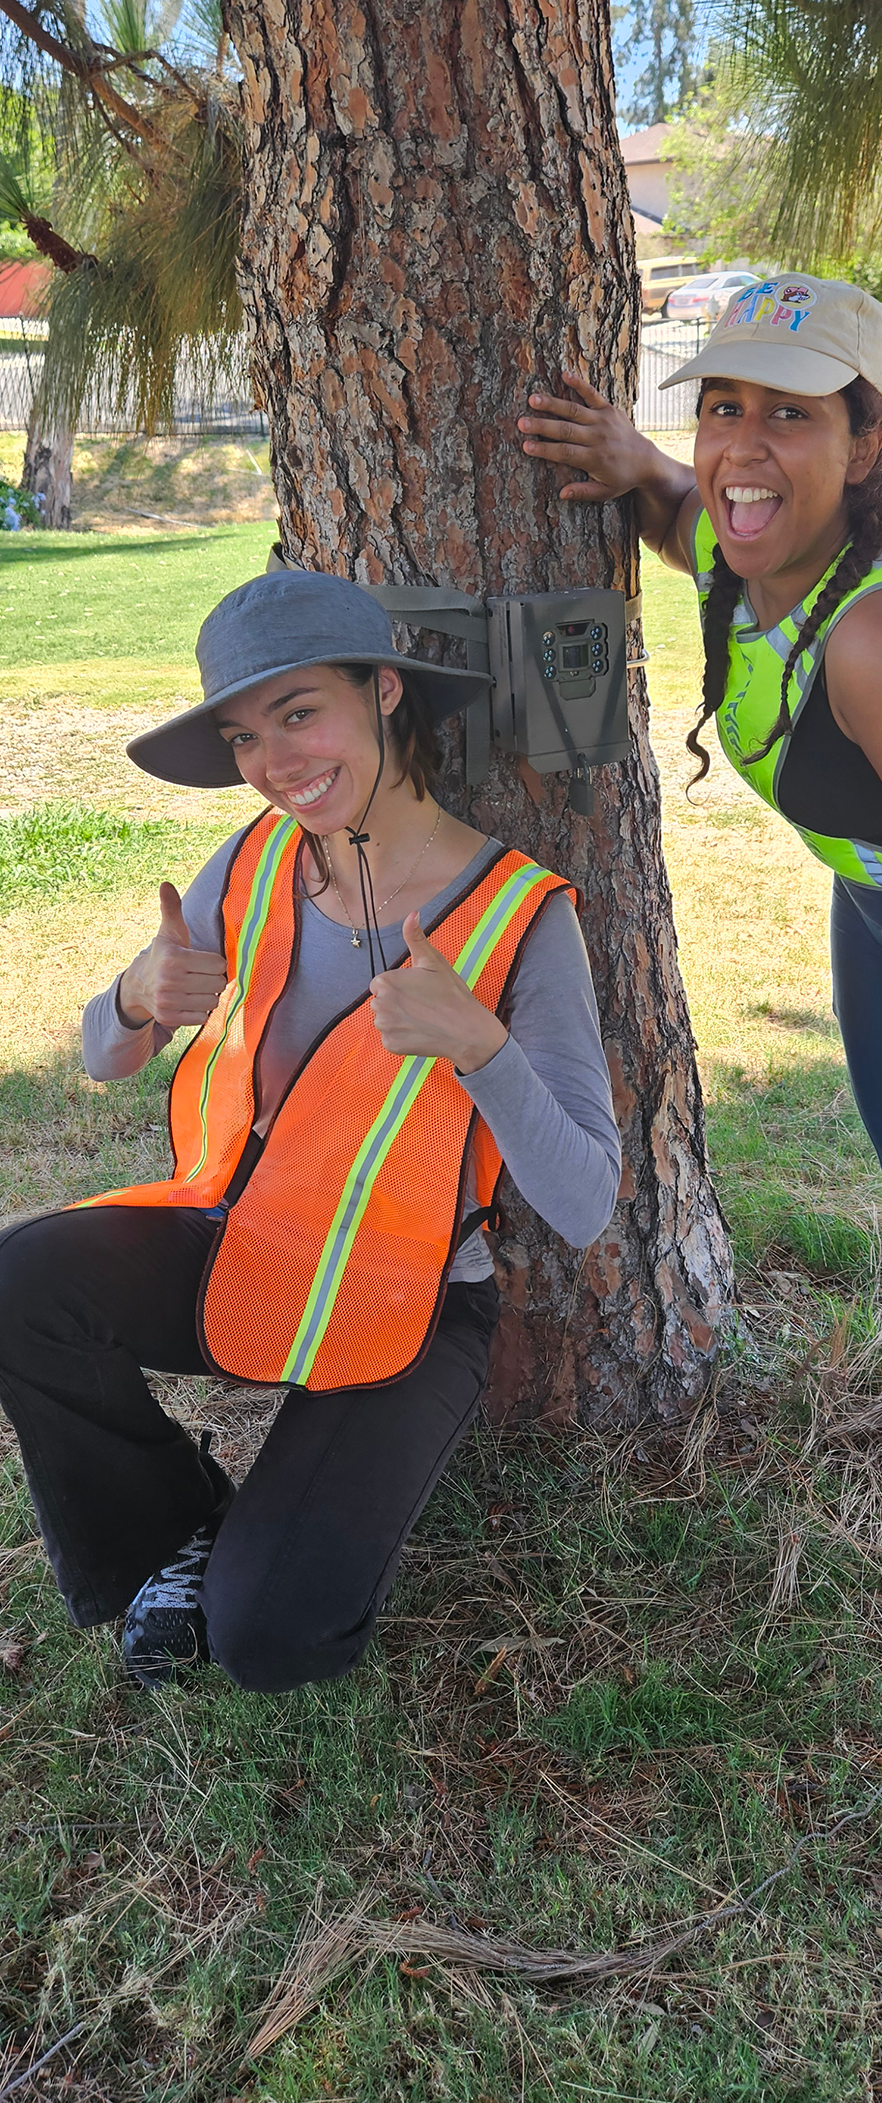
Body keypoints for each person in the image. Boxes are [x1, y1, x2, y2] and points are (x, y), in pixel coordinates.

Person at [517, 273, 882, 1510]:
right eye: (720, 406)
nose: (741, 446)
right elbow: (689, 513)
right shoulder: (752, 552)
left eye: (788, 416)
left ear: (867, 436)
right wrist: (630, 459)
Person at [0, 569, 620, 1690]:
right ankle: (175, 1531)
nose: (275, 763)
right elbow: (106, 1059)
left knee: (268, 1641)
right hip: (243, 1239)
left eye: (299, 713)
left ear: (383, 690)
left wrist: (478, 1046)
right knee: (22, 1277)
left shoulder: (523, 916)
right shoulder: (253, 859)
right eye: (244, 735)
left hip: (406, 1293)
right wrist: (135, 999)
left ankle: (258, 1562)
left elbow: (584, 1200)